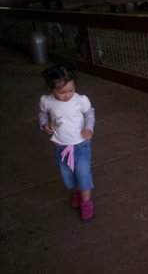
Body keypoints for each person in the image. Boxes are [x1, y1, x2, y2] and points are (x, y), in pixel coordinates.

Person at [38, 65, 95, 222]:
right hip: (60, 147)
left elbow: (89, 113)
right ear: (51, 88)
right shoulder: (46, 101)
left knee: (83, 173)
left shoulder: (80, 100)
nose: (67, 95)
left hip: (81, 145)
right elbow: (42, 113)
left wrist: (89, 127)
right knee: (68, 175)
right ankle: (77, 193)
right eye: (62, 92)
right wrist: (44, 124)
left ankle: (86, 202)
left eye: (71, 90)